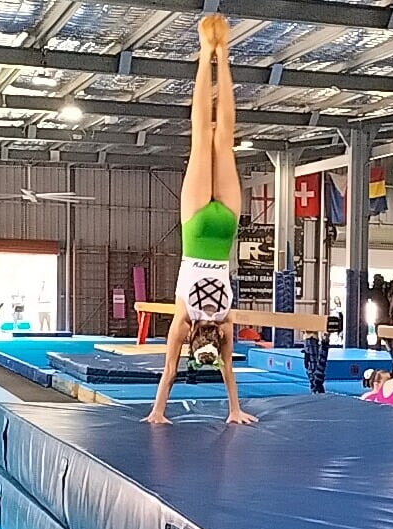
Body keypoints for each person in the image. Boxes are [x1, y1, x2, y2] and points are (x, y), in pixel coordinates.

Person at [143, 15, 256, 426]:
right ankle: (213, 54)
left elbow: (214, 372)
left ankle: (217, 54)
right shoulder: (188, 321)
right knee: (209, 137)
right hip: (199, 228)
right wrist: (233, 409)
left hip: (218, 227)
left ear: (200, 339)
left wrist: (234, 409)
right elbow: (173, 371)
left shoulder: (216, 322)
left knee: (214, 138)